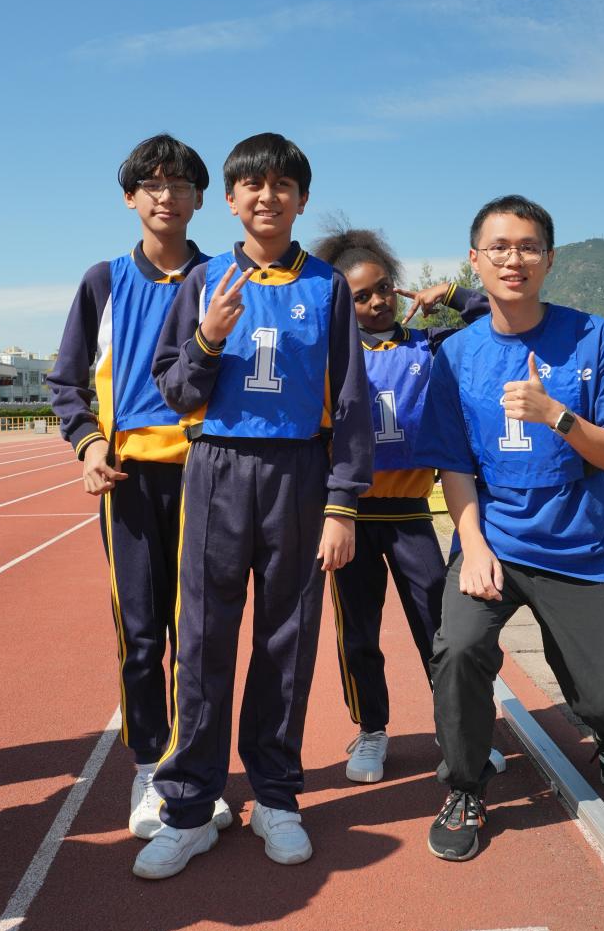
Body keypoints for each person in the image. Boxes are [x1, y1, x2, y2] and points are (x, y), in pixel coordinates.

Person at [133, 133, 373, 880]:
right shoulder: (202, 279)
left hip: (298, 469)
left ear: (301, 199)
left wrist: (342, 504)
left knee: (286, 640)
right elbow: (174, 389)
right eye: (253, 185)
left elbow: (351, 402)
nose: (267, 196)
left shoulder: (328, 287)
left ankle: (274, 796)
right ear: (231, 200)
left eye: (282, 185)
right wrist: (207, 337)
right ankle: (189, 807)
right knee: (203, 638)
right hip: (217, 466)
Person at [415, 194, 604, 862]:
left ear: (549, 258)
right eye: (498, 247)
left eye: (527, 247)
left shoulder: (595, 338)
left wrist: (556, 415)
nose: (512, 259)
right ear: (474, 259)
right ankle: (464, 786)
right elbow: (454, 466)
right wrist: (474, 547)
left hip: (578, 547)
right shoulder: (456, 354)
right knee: (458, 648)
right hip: (496, 542)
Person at [48, 133, 232, 840]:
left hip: (207, 473)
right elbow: (67, 381)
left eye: (179, 184)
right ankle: (151, 767)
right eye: (151, 184)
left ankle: (198, 769)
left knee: (201, 632)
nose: (166, 196)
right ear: (130, 197)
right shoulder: (103, 281)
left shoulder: (224, 277)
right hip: (127, 480)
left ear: (199, 198)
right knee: (141, 632)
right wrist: (89, 443)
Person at [312, 225, 507, 784]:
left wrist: (451, 294)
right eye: (359, 296)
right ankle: (371, 729)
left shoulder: (431, 344)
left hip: (410, 515)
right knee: (358, 633)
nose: (376, 302)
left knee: (438, 628)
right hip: (351, 517)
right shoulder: (329, 356)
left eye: (383, 288)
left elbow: (494, 320)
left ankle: (456, 730)